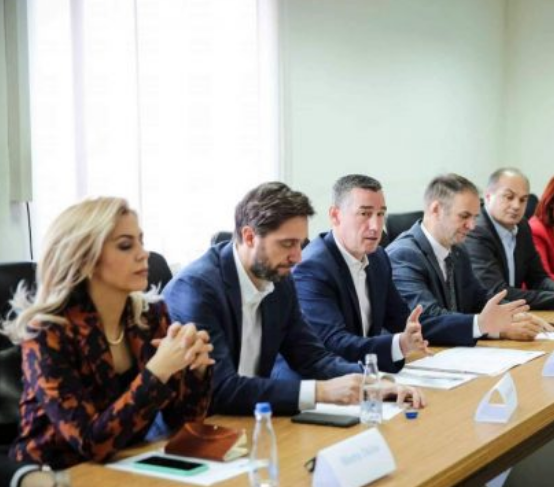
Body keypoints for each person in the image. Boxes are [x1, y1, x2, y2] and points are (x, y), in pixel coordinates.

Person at [163, 182, 425, 416]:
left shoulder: (280, 280)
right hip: (194, 430)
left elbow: (313, 358)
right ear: (249, 237)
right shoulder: (197, 289)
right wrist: (321, 392)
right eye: (287, 244)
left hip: (253, 417)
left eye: (300, 243)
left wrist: (374, 382)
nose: (298, 257)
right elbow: (221, 389)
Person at [2, 198, 213, 469]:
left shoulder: (150, 317)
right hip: (56, 474)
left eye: (141, 242)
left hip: (128, 465)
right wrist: (158, 371)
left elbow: (182, 424)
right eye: (125, 245)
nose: (143, 254)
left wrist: (195, 372)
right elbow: (90, 443)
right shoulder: (47, 333)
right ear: (85, 260)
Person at [387, 174, 553, 343]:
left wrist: (515, 314)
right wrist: (494, 329)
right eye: (464, 216)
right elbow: (426, 319)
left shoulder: (458, 250)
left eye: (475, 217)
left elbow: (479, 298)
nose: (472, 226)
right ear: (436, 209)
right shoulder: (403, 255)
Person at [292, 175, 432, 373]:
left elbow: (401, 320)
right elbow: (333, 343)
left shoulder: (378, 258)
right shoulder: (312, 268)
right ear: (335, 216)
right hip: (328, 380)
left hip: (367, 372)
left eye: (380, 214)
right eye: (365, 214)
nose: (376, 226)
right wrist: (399, 345)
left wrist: (413, 333)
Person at [463, 168, 554, 310]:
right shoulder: (476, 231)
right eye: (509, 197)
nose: (516, 206)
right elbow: (497, 292)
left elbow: (538, 277)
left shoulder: (522, 225)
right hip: (483, 316)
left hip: (515, 313)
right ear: (488, 196)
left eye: (523, 199)